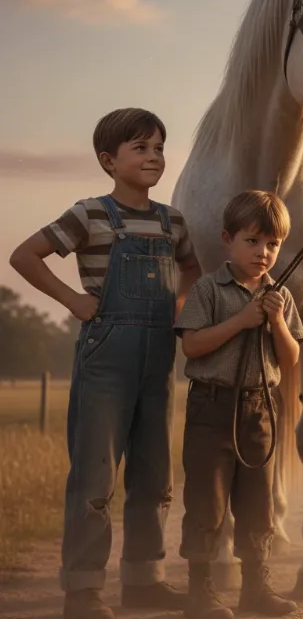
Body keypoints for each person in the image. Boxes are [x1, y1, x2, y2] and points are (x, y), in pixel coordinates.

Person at [9, 108, 203, 619]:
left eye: (159, 147)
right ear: (108, 160)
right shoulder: (89, 214)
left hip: (159, 361)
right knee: (95, 478)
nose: (153, 157)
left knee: (154, 476)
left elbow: (192, 268)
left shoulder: (172, 220)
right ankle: (84, 591)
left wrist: (179, 306)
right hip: (105, 357)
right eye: (140, 148)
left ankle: (145, 582)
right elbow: (24, 255)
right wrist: (73, 299)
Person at [174, 189, 303, 619]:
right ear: (228, 239)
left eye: (272, 244)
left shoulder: (279, 296)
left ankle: (256, 590)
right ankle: (200, 592)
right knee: (207, 503)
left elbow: (290, 359)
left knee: (257, 506)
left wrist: (275, 322)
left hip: (259, 409)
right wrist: (241, 321)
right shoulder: (209, 289)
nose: (263, 253)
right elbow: (192, 346)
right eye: (252, 241)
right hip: (211, 409)